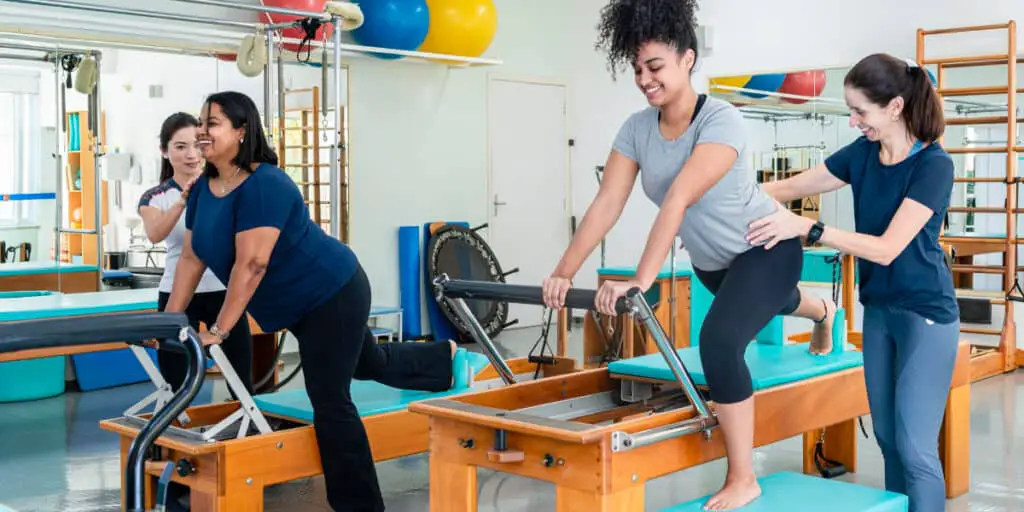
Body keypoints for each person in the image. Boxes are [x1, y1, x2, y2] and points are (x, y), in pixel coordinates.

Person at [542, 1, 834, 509]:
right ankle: (822, 310)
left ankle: (743, 476)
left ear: (688, 59)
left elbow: (679, 196)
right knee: (772, 302)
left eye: (654, 67)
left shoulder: (721, 119)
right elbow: (607, 203)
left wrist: (641, 279)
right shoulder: (636, 129)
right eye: (636, 70)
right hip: (715, 265)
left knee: (720, 342)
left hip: (766, 246)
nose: (644, 79)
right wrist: (562, 273)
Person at [164, 90, 468, 512]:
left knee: (329, 398)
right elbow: (192, 259)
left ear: (241, 131)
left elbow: (251, 264)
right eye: (200, 122)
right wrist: (169, 321)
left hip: (333, 290)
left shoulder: (266, 184)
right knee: (367, 363)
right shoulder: (203, 191)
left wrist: (219, 330)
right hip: (295, 303)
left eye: (211, 122)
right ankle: (441, 360)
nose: (201, 130)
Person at [746, 53, 958, 512]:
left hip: (926, 316)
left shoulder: (933, 166)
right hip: (879, 311)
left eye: (861, 111)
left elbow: (886, 248)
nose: (854, 121)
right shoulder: (863, 154)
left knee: (916, 446)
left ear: (896, 107)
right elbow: (791, 187)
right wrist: (717, 194)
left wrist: (810, 230)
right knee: (886, 438)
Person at [138, 112, 253, 396]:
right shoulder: (155, 196)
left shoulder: (227, 186)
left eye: (196, 144)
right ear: (164, 151)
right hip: (177, 294)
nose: (191, 154)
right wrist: (182, 201)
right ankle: (169, 433)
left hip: (223, 292)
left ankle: (250, 434)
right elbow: (155, 234)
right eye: (180, 147)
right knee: (176, 381)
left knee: (241, 380)